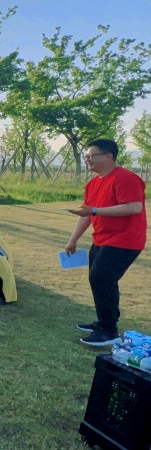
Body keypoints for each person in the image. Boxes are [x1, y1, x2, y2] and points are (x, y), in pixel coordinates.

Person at [64, 139, 147, 346]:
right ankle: (104, 322)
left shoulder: (126, 178)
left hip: (125, 240)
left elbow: (134, 207)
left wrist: (95, 210)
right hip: (102, 238)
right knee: (99, 280)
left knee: (101, 278)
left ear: (108, 156)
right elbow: (87, 214)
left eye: (91, 156)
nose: (87, 160)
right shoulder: (93, 184)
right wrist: (73, 240)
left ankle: (109, 331)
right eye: (86, 156)